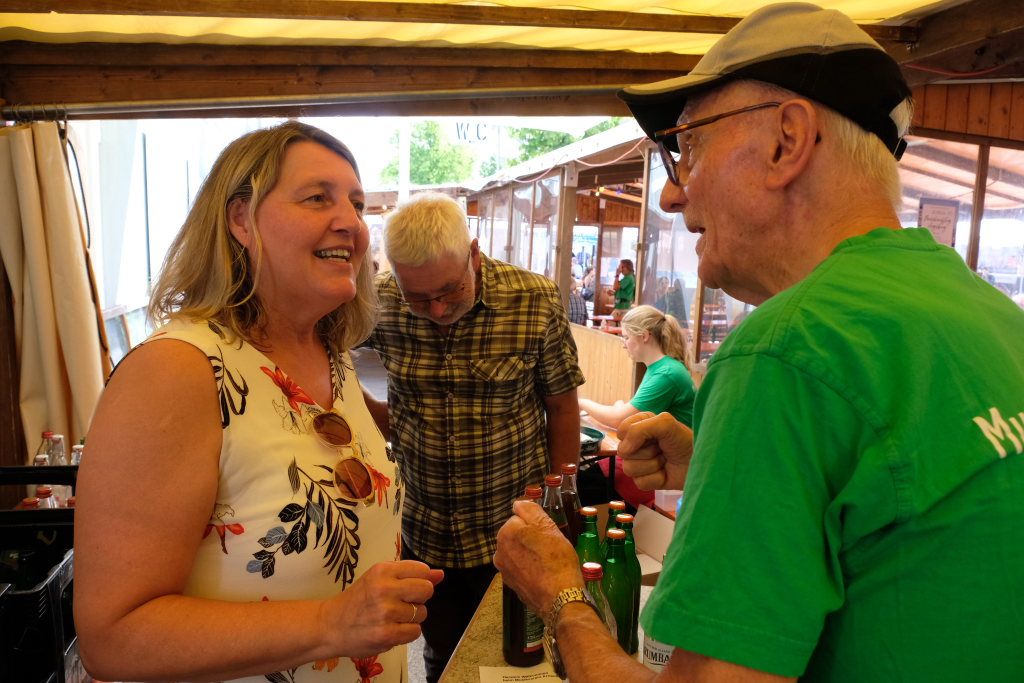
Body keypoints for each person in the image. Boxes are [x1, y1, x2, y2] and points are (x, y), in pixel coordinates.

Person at [494, 4, 1024, 682]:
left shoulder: (784, 351)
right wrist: (717, 462)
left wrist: (562, 597)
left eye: (688, 147)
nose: (673, 196)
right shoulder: (989, 314)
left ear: (786, 141)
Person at [73, 122, 443, 683]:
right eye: (317, 198)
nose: (352, 222)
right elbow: (112, 637)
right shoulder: (177, 371)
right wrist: (332, 622)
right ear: (240, 220)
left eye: (356, 203)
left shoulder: (330, 354)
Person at [363, 192, 584, 682]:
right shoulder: (380, 301)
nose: (438, 308)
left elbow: (562, 408)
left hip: (511, 525)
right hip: (425, 531)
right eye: (419, 298)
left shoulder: (534, 299)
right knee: (442, 654)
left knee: (519, 654)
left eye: (449, 289)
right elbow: (323, 354)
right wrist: (377, 418)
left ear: (475, 254)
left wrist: (560, 507)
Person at [577, 305, 695, 508]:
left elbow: (620, 419)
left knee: (581, 486)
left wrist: (581, 402)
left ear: (645, 336)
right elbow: (633, 413)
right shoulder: (661, 368)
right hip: (656, 458)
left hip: (663, 469)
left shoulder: (666, 374)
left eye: (626, 337)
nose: (624, 344)